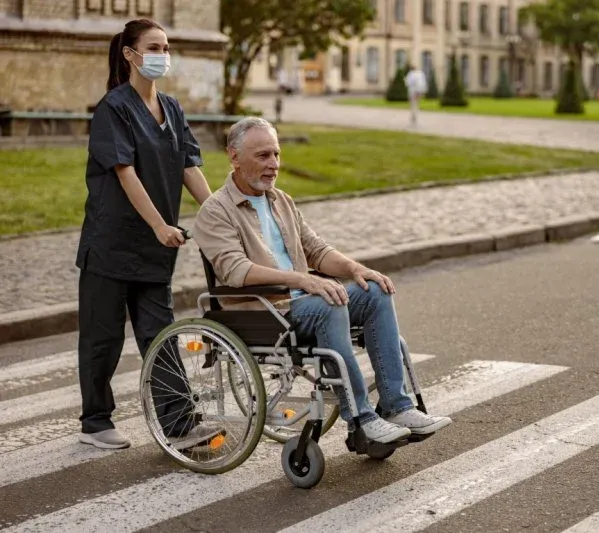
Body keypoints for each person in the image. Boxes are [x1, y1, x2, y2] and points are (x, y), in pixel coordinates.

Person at [191, 117, 453, 444]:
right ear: (234, 156)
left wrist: (357, 270)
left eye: (276, 154)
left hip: (305, 302)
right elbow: (236, 270)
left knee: (374, 292)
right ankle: (360, 418)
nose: (273, 164)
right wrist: (303, 280)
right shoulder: (216, 210)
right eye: (262, 156)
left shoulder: (281, 201)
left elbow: (316, 249)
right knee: (330, 303)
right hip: (265, 312)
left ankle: (396, 407)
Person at [75, 18, 221, 450]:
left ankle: (180, 424)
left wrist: (219, 215)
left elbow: (189, 166)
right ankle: (96, 423)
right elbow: (124, 172)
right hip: (112, 244)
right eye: (154, 46)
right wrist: (160, 225)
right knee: (102, 337)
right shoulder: (113, 108)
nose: (163, 54)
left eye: (166, 46)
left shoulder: (172, 109)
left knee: (161, 337)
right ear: (130, 54)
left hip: (155, 251)